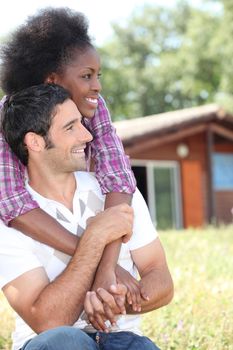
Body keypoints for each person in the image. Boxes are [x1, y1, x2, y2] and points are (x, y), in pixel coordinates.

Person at [0, 83, 173, 350]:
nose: (87, 136)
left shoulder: (118, 193)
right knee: (66, 340)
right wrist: (94, 238)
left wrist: (113, 299)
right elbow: (47, 321)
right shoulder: (8, 221)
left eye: (82, 123)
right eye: (70, 128)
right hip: (50, 343)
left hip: (121, 340)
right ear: (34, 142)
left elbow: (161, 280)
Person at [0, 7, 139, 304]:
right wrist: (103, 264)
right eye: (87, 76)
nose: (97, 86)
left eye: (98, 75)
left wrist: (105, 268)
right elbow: (12, 203)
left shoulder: (95, 105)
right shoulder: (8, 115)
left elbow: (118, 177)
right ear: (52, 80)